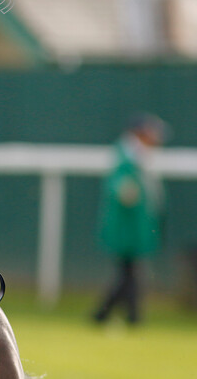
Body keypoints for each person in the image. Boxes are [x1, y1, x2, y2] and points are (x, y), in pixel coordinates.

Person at [93, 113, 168, 325]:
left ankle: (111, 315)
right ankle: (117, 316)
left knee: (130, 274)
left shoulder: (139, 155)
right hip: (126, 229)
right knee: (130, 274)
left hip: (135, 229)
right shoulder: (127, 155)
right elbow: (120, 187)